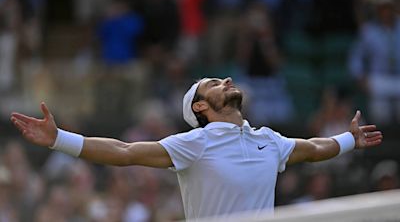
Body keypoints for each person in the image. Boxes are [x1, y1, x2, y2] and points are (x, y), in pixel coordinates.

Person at [10, 77, 383, 220]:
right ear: (200, 108)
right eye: (215, 84)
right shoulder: (195, 143)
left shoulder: (269, 140)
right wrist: (59, 139)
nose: (227, 81)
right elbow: (124, 151)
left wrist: (351, 140)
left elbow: (315, 148)